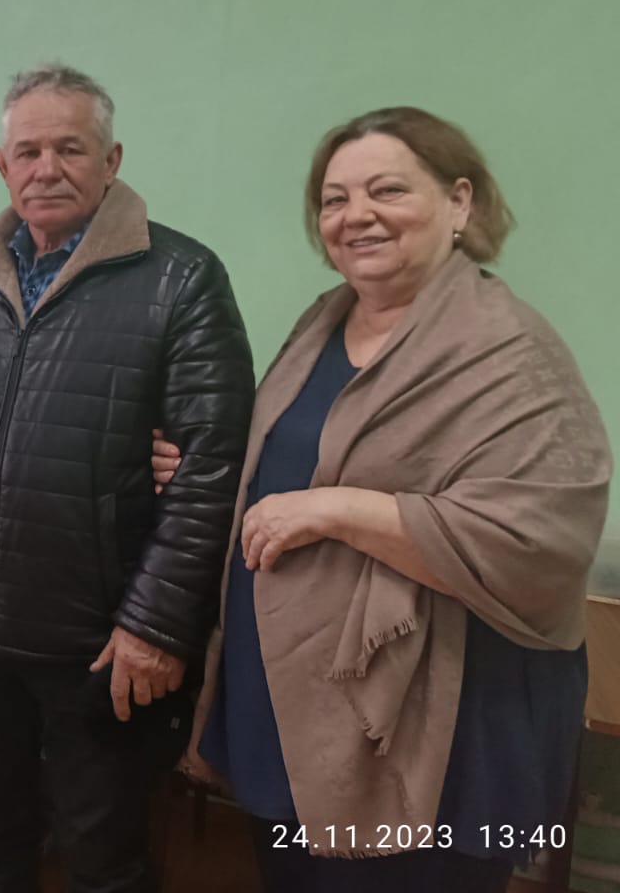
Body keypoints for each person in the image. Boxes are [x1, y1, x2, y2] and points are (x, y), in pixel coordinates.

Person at [154, 108, 611, 893]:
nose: (355, 215)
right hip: (295, 702)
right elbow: (292, 463)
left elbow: (542, 540)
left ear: (460, 202)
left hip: (433, 732)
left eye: (387, 190)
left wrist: (337, 510)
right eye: (334, 200)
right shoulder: (322, 322)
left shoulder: (510, 351)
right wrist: (206, 470)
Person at [0, 64, 255, 893]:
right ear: (2, 165)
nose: (47, 168)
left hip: (104, 639)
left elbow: (209, 468)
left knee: (102, 855)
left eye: (70, 148)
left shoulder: (181, 278)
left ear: (111, 160)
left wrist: (155, 624)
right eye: (29, 150)